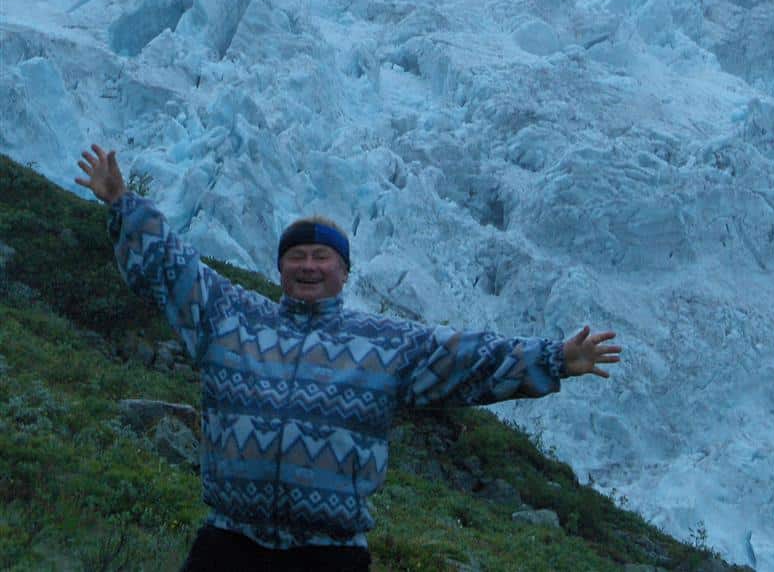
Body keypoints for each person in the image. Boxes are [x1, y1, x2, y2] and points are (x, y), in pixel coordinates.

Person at [75, 145, 622, 571]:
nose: (308, 266)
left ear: (344, 272)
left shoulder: (383, 343)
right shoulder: (232, 317)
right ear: (280, 267)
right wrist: (124, 204)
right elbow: (173, 269)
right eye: (296, 255)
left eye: (322, 256)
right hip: (229, 544)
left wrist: (552, 359)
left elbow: (466, 360)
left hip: (328, 556)